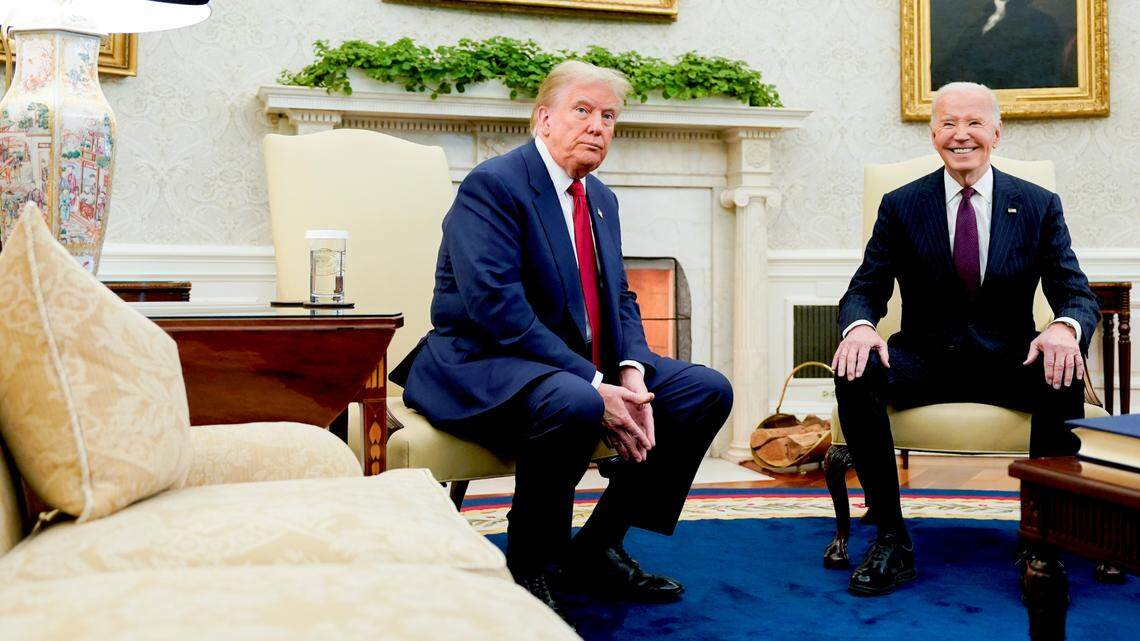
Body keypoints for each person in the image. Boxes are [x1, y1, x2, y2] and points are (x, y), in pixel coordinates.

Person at [390, 60, 733, 617]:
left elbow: (620, 297)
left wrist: (631, 372)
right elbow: (495, 309)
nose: (598, 125)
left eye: (609, 116)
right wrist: (595, 381)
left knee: (703, 389)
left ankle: (599, 546)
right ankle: (529, 563)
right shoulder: (494, 185)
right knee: (575, 398)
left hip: (567, 366)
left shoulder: (599, 197)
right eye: (583, 110)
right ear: (544, 118)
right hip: (483, 362)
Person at [830, 82, 1097, 596]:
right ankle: (890, 538)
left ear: (996, 132)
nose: (961, 135)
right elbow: (865, 288)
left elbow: (1075, 291)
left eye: (974, 123)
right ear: (934, 134)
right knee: (855, 367)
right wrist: (860, 326)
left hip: (1008, 358)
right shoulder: (903, 204)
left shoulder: (1038, 204)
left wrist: (1064, 327)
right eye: (949, 123)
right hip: (925, 357)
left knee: (1062, 367)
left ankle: (1040, 538)